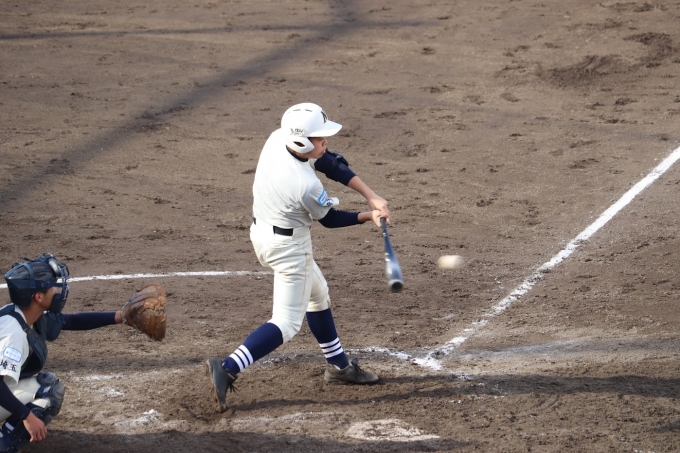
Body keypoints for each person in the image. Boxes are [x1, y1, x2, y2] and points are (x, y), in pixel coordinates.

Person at [205, 102, 391, 413]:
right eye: (319, 138)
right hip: (290, 250)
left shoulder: (278, 138)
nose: (325, 142)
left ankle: (339, 366)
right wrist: (368, 215)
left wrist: (370, 194)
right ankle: (227, 367)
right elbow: (330, 220)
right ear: (303, 142)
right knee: (287, 323)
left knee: (318, 296)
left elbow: (329, 161)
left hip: (263, 235)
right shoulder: (304, 185)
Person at [0, 253, 126, 452]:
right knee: (48, 391)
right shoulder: (13, 334)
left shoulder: (21, 313)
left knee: (46, 385)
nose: (58, 291)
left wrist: (120, 316)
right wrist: (28, 416)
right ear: (38, 297)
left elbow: (71, 321)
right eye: (53, 287)